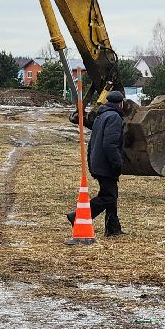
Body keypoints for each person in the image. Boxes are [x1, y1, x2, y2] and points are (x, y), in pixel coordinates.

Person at [68, 89, 126, 236]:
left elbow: (93, 142)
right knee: (109, 196)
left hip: (97, 162)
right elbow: (110, 144)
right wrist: (117, 163)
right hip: (106, 164)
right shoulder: (114, 118)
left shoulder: (102, 116)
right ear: (121, 103)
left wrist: (91, 161)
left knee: (111, 194)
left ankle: (113, 228)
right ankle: (78, 216)